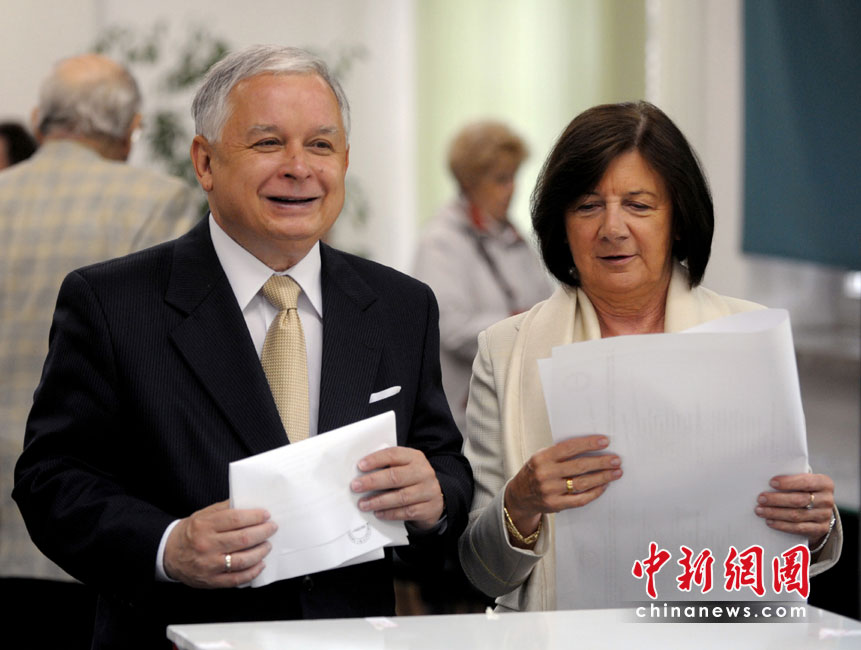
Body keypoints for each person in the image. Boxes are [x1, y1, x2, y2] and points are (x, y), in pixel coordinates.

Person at [13, 44, 472, 649]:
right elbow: (51, 479)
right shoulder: (112, 303)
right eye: (268, 143)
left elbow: (445, 463)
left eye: (320, 144)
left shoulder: (400, 306)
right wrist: (167, 545)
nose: (299, 167)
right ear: (205, 163)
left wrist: (436, 498)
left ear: (344, 160)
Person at [458, 101, 842, 611]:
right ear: (561, 225)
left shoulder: (748, 336)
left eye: (638, 206)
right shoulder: (505, 351)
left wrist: (815, 524)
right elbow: (481, 573)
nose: (612, 228)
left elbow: (791, 534)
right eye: (588, 206)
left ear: (677, 221)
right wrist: (520, 503)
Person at [0, 53, 202, 647]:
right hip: (96, 510)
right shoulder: (159, 201)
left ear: (39, 119)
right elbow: (173, 364)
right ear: (131, 130)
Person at [413, 121, 551, 434]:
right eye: (501, 179)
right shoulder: (441, 243)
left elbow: (547, 307)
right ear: (470, 182)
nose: (512, 188)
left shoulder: (515, 239)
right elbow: (450, 328)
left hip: (520, 406)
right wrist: (521, 326)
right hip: (468, 417)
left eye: (514, 176)